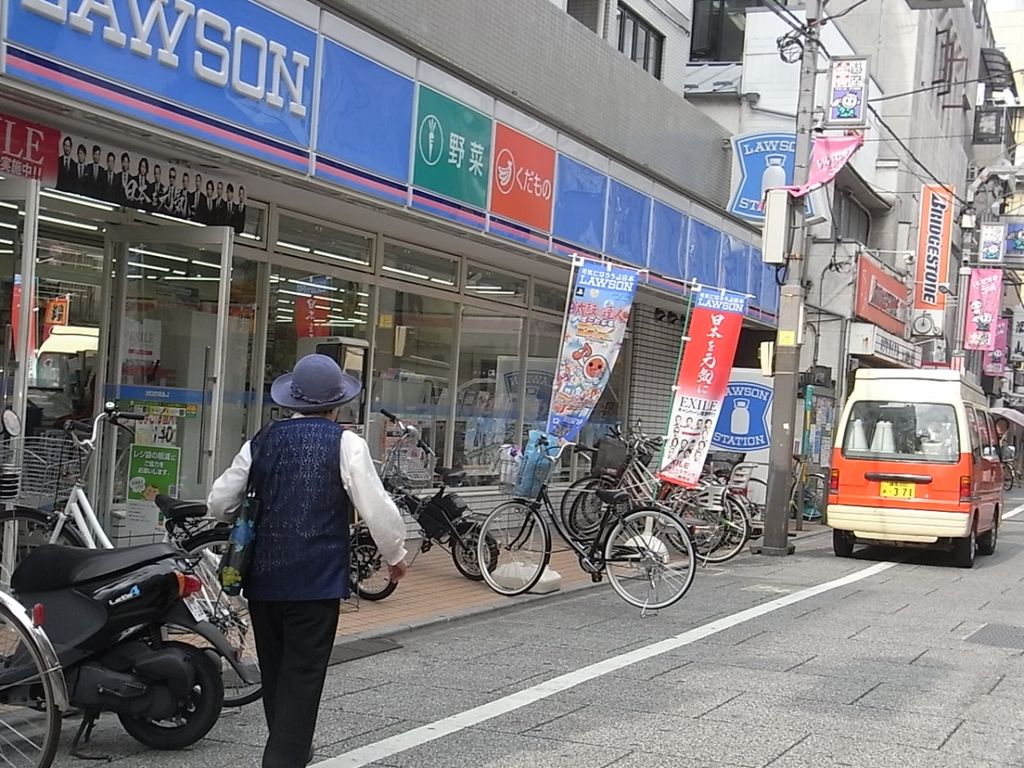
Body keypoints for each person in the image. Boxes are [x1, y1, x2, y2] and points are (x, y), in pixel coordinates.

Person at [207, 354, 408, 768]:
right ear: (337, 404)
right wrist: (396, 555)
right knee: (303, 675)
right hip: (317, 580)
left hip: (262, 579)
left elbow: (219, 502)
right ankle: (283, 757)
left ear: (290, 400)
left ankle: (289, 749)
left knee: (278, 673)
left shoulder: (260, 441)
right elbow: (376, 507)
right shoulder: (345, 443)